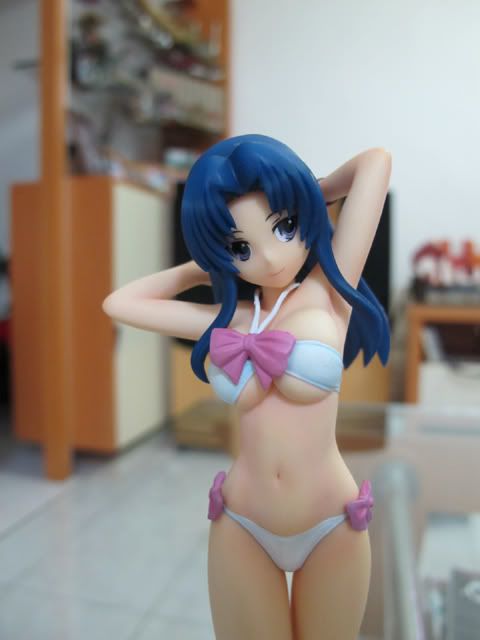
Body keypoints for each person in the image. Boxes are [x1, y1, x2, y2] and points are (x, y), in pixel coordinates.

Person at [103, 134, 391, 639]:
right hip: (243, 522)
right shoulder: (228, 319)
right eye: (242, 247)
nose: (271, 257)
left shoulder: (328, 293)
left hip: (330, 520)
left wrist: (307, 191)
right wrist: (200, 265)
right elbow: (120, 304)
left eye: (284, 226)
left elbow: (375, 163)